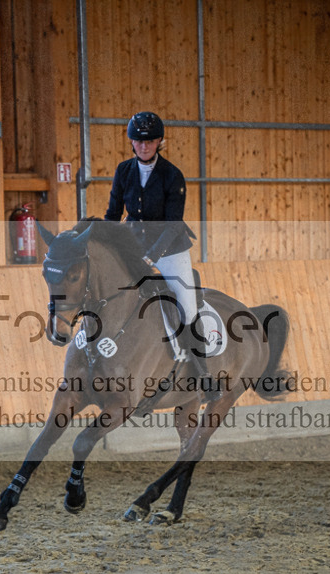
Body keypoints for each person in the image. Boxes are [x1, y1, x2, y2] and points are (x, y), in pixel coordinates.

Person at [104, 111, 219, 401]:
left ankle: (203, 373)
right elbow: (113, 214)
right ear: (132, 142)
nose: (143, 147)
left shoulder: (172, 175)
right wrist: (104, 244)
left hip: (170, 249)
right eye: (138, 142)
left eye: (150, 141)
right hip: (133, 245)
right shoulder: (123, 171)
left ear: (159, 142)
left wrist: (152, 256)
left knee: (187, 306)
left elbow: (173, 224)